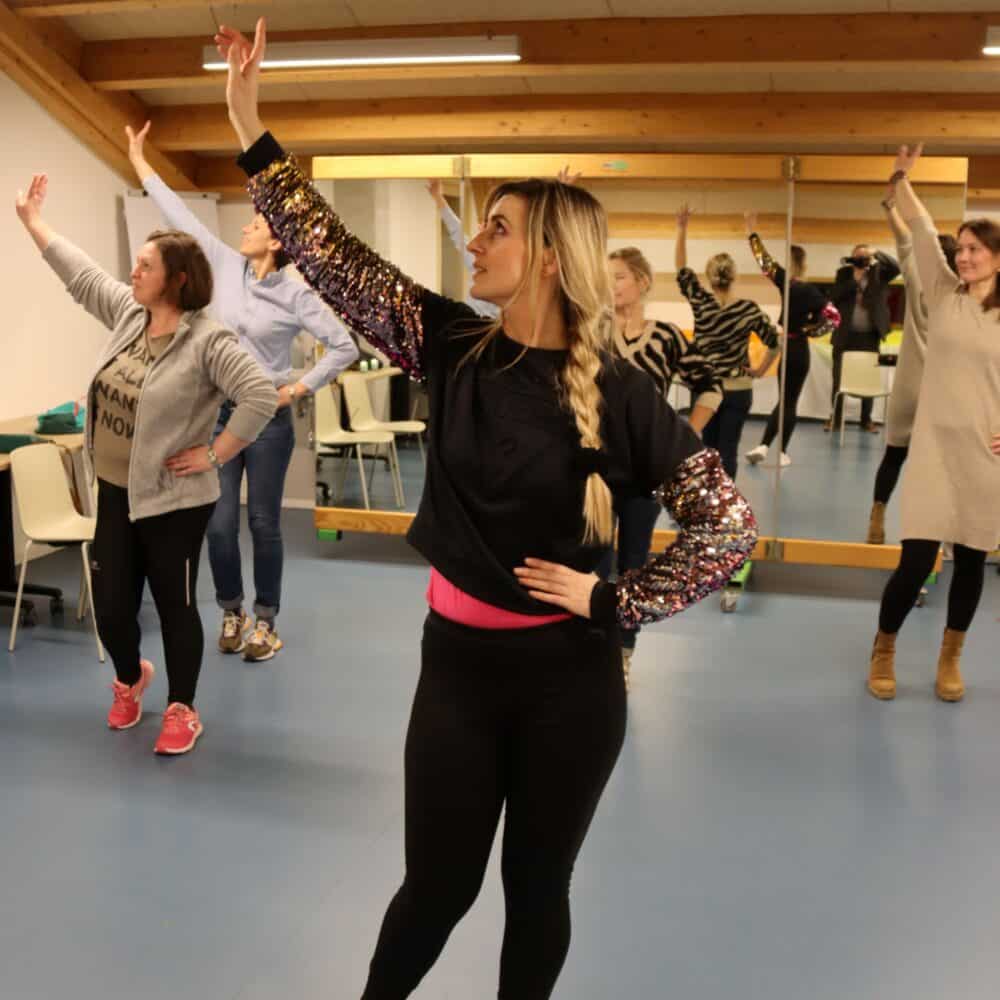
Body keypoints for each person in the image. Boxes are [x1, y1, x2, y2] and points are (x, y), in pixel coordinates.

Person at [217, 18, 758, 998]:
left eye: (497, 227)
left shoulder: (623, 396)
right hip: (457, 671)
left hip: (569, 685)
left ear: (548, 255)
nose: (475, 239)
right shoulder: (451, 344)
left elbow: (728, 525)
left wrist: (614, 601)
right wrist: (250, 124)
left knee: (536, 890)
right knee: (435, 889)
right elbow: (332, 254)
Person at [15, 174, 277, 754]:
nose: (132, 273)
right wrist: (33, 222)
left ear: (178, 279)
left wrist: (215, 452)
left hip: (174, 501)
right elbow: (82, 276)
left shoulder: (208, 342)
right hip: (114, 491)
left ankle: (182, 708)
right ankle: (132, 678)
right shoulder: (129, 318)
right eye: (135, 264)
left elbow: (260, 394)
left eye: (145, 266)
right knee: (112, 610)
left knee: (175, 606)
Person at [126, 122, 358, 663]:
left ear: (277, 241)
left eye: (256, 223)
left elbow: (343, 346)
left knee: (264, 523)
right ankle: (232, 610)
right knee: (221, 524)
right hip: (219, 415)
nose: (246, 227)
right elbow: (180, 217)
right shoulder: (225, 266)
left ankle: (266, 621)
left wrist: (296, 388)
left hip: (269, 421)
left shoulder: (297, 296)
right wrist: (140, 163)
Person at [867, 143, 1000, 704]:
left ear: (997, 257)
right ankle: (884, 648)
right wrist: (902, 179)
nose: (963, 257)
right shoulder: (944, 293)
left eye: (974, 249)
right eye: (961, 248)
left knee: (970, 562)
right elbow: (921, 231)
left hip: (983, 456)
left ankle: (951, 657)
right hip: (931, 454)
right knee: (916, 560)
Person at [603, 245, 723, 684]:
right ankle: (591, 650)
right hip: (595, 469)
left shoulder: (667, 337)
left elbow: (710, 386)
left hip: (645, 471)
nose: (610, 286)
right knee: (593, 561)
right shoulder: (592, 331)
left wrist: (686, 433)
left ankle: (623, 653)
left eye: (618, 277)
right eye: (605, 279)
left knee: (633, 563)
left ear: (642, 282)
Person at [866, 193, 957, 544]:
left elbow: (904, 238)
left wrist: (889, 208)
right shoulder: (959, 293)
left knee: (894, 455)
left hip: (907, 384)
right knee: (942, 464)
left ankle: (877, 514)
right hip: (942, 388)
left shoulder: (916, 276)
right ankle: (940, 531)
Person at [674, 203, 781, 479]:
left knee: (707, 449)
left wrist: (682, 229)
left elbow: (681, 269)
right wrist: (759, 370)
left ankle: (710, 497)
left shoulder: (701, 302)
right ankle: (727, 499)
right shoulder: (748, 309)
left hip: (706, 388)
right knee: (729, 451)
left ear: (709, 278)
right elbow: (775, 343)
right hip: (739, 389)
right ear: (734, 277)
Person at [742, 215, 840, 468]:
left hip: (787, 346)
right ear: (804, 265)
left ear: (790, 264)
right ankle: (780, 451)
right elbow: (834, 317)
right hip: (800, 349)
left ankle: (766, 446)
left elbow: (764, 262)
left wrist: (752, 234)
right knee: (790, 402)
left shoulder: (786, 283)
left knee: (784, 400)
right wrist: (811, 330)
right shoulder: (811, 291)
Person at [828, 240, 899, 432]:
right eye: (857, 257)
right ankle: (836, 419)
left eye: (864, 257)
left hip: (870, 335)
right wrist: (855, 279)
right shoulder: (844, 273)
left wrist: (876, 253)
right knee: (838, 378)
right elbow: (834, 296)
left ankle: (866, 419)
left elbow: (896, 267)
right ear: (852, 258)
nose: (861, 260)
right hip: (845, 334)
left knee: (869, 377)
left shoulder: (879, 273)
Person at [425, 178, 499, 319]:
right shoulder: (475, 257)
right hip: (467, 320)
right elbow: (457, 232)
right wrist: (438, 197)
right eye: (483, 226)